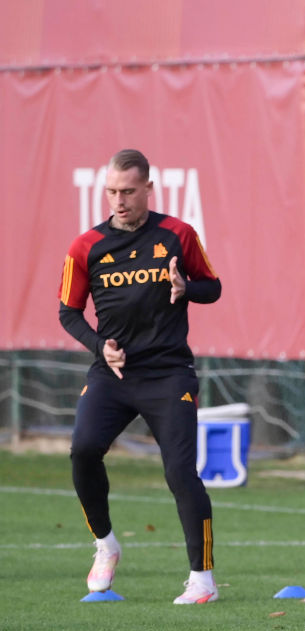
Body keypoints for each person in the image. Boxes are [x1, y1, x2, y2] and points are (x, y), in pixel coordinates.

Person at [58, 149, 222, 604]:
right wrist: (99, 346)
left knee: (180, 472)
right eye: (111, 191)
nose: (119, 200)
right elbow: (68, 312)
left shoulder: (177, 235)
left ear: (148, 189)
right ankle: (106, 545)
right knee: (83, 450)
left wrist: (187, 287)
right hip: (113, 372)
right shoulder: (85, 246)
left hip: (169, 373)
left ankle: (202, 578)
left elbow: (214, 287)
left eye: (128, 191)